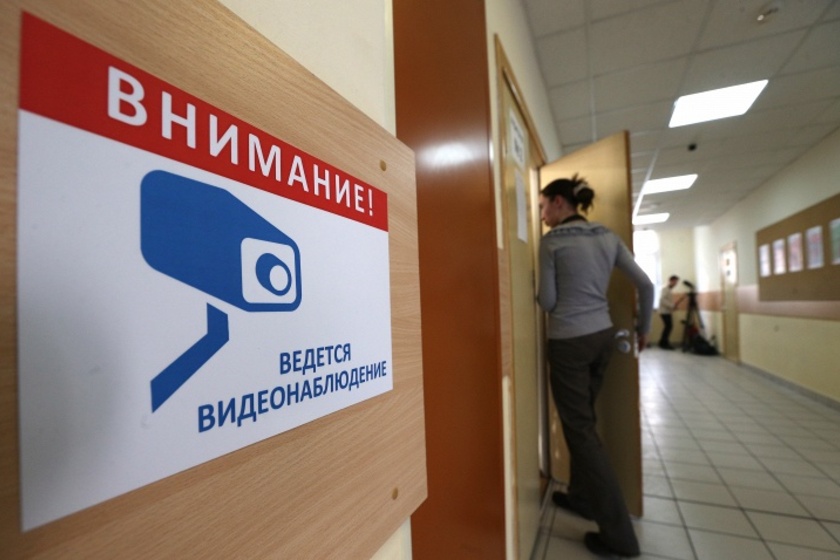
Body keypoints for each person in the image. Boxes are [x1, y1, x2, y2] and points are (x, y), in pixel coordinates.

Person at [537, 175, 653, 558]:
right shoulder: (607, 236)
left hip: (569, 343)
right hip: (603, 337)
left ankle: (620, 538)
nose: (542, 215)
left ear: (558, 202)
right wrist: (643, 329)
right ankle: (582, 498)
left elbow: (548, 302)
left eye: (543, 207)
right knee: (583, 421)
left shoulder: (552, 242)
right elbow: (646, 284)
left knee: (581, 431)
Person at [658, 275, 684, 349]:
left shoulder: (668, 289)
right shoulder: (665, 288)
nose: (676, 284)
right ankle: (664, 343)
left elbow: (666, 300)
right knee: (669, 327)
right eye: (675, 282)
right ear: (671, 281)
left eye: (676, 282)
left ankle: (662, 343)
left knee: (668, 327)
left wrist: (673, 306)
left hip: (666, 311)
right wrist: (672, 306)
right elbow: (662, 300)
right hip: (664, 312)